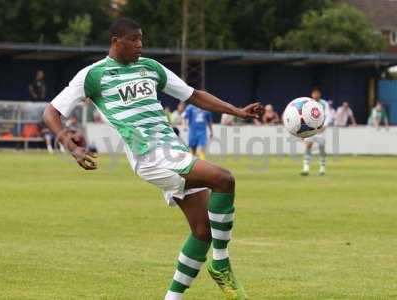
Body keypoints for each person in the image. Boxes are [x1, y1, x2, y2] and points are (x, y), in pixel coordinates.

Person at [43, 18, 262, 300]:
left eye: (141, 39)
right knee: (223, 178)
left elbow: (194, 95)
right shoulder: (93, 75)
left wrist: (238, 112)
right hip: (148, 153)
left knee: (202, 231)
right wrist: (69, 144)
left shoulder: (151, 68)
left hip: (174, 150)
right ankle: (221, 262)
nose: (140, 45)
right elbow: (51, 112)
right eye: (134, 40)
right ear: (115, 42)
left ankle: (173, 297)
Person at [301, 87, 332, 176]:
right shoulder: (308, 103)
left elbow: (329, 115)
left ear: (320, 94)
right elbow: (303, 116)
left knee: (321, 148)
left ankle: (322, 168)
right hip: (310, 129)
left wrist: (325, 125)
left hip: (320, 129)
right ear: (312, 94)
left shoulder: (324, 103)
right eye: (314, 93)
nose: (316, 95)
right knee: (308, 147)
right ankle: (306, 168)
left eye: (317, 93)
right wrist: (303, 131)